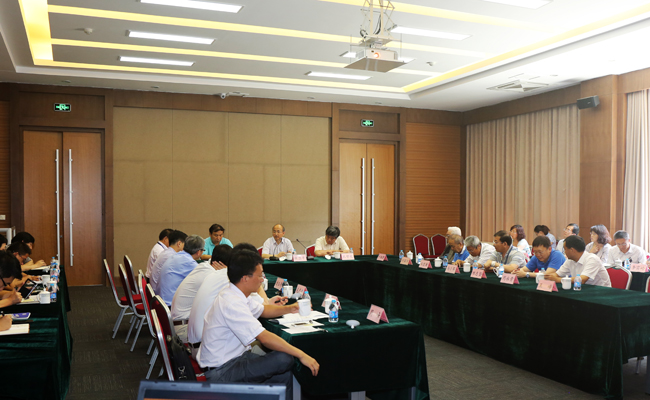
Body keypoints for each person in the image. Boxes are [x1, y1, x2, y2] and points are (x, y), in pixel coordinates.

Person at [198, 249, 319, 399]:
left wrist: (291, 308)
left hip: (234, 360)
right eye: (260, 275)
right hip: (222, 371)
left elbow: (263, 310)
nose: (262, 279)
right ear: (245, 278)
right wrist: (302, 355)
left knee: (283, 376)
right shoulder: (232, 302)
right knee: (284, 358)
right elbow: (264, 338)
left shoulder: (235, 292)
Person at [171, 244, 229, 343]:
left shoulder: (204, 266)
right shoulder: (211, 275)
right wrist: (225, 272)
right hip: (184, 329)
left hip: (179, 323)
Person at [546, 235, 611, 287]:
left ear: (572, 250)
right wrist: (551, 277)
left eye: (565, 249)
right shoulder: (570, 260)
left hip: (602, 293)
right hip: (583, 290)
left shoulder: (592, 259)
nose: (565, 252)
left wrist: (558, 280)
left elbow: (582, 280)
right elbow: (557, 274)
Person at [158, 235, 204, 306]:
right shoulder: (189, 262)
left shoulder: (177, 255)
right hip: (170, 305)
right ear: (199, 252)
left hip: (162, 302)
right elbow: (205, 280)